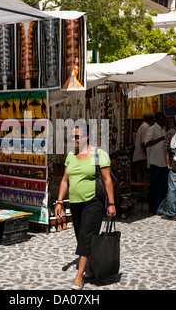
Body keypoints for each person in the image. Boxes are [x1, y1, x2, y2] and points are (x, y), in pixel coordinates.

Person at [55, 124, 116, 290]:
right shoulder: (70, 156)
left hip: (93, 201)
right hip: (75, 203)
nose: (73, 140)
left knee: (86, 237)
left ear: (87, 137)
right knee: (81, 236)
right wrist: (59, 201)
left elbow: (107, 180)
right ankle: (93, 264)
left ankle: (79, 275)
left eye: (77, 136)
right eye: (71, 137)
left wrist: (111, 203)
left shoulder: (99, 154)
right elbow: (64, 180)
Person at [144, 112, 168, 215]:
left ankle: (158, 206)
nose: (165, 121)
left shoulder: (164, 129)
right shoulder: (152, 129)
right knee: (154, 186)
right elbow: (147, 143)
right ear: (158, 119)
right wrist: (160, 139)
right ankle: (153, 206)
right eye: (163, 119)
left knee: (162, 186)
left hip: (164, 162)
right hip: (155, 162)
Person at [132, 112, 154, 183]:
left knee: (142, 178)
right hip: (143, 157)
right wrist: (148, 157)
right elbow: (144, 143)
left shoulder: (143, 126)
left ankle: (142, 193)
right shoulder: (146, 127)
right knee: (145, 178)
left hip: (141, 157)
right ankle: (144, 193)